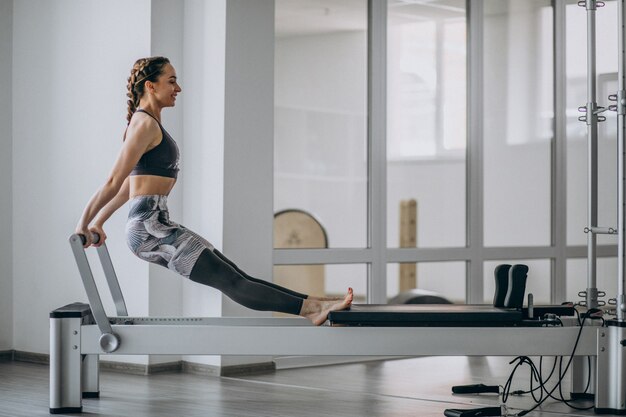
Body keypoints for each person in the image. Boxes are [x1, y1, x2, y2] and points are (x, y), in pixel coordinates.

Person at [74, 56, 353, 326]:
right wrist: (83, 224)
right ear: (151, 85)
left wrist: (99, 222)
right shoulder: (144, 124)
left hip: (155, 225)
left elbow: (127, 189)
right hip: (150, 230)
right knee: (233, 282)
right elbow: (113, 181)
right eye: (171, 81)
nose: (178, 89)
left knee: (237, 275)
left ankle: (315, 306)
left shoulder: (147, 124)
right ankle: (315, 309)